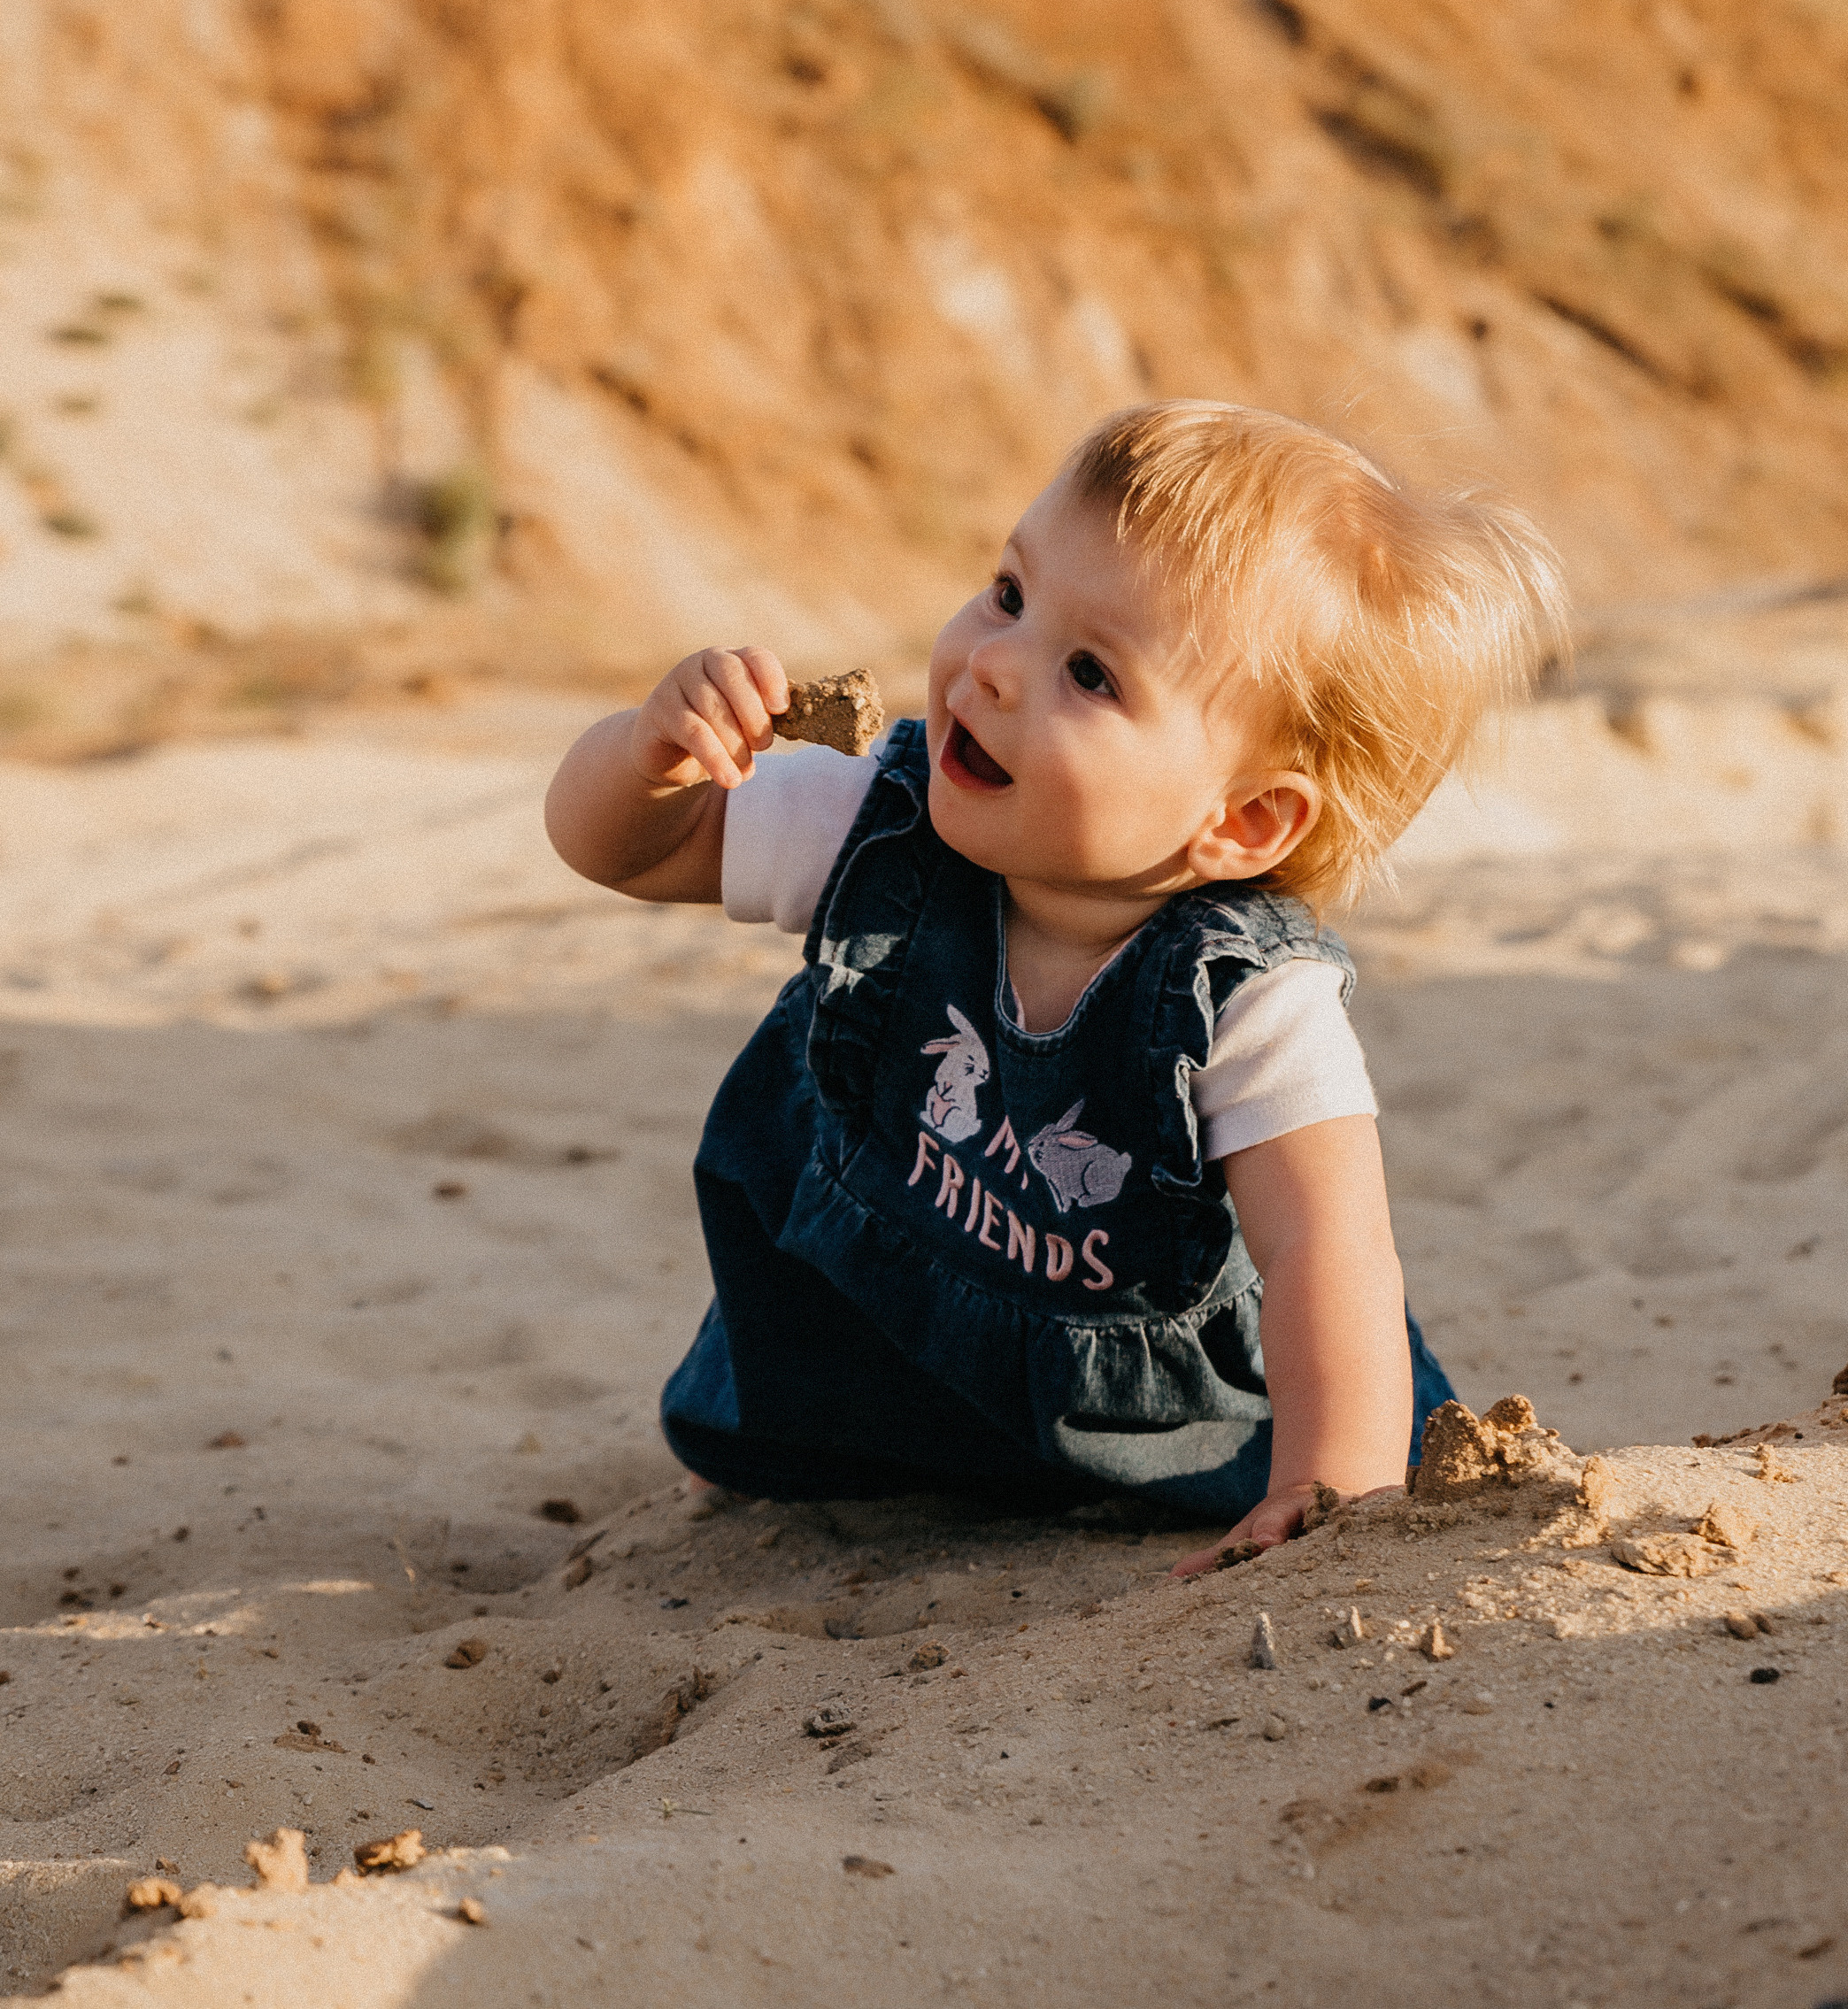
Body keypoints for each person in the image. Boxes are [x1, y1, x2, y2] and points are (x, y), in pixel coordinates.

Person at [545, 400, 1566, 1572]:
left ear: (1240, 820)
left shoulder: (1249, 996)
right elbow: (619, 852)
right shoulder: (878, 819)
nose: (990, 667)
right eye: (1009, 593)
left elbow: (1324, 1250)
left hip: (1142, 1420)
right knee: (785, 1423)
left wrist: (1332, 1487)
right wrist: (647, 761)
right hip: (864, 1338)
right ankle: (813, 1442)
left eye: (1088, 674)